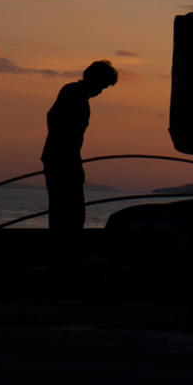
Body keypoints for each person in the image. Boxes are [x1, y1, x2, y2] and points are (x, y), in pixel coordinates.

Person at [42, 60, 119, 270]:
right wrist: (67, 151)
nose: (101, 91)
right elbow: (56, 121)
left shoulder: (74, 93)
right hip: (62, 159)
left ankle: (65, 255)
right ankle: (65, 257)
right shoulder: (73, 93)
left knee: (67, 209)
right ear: (94, 79)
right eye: (102, 86)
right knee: (68, 210)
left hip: (64, 158)